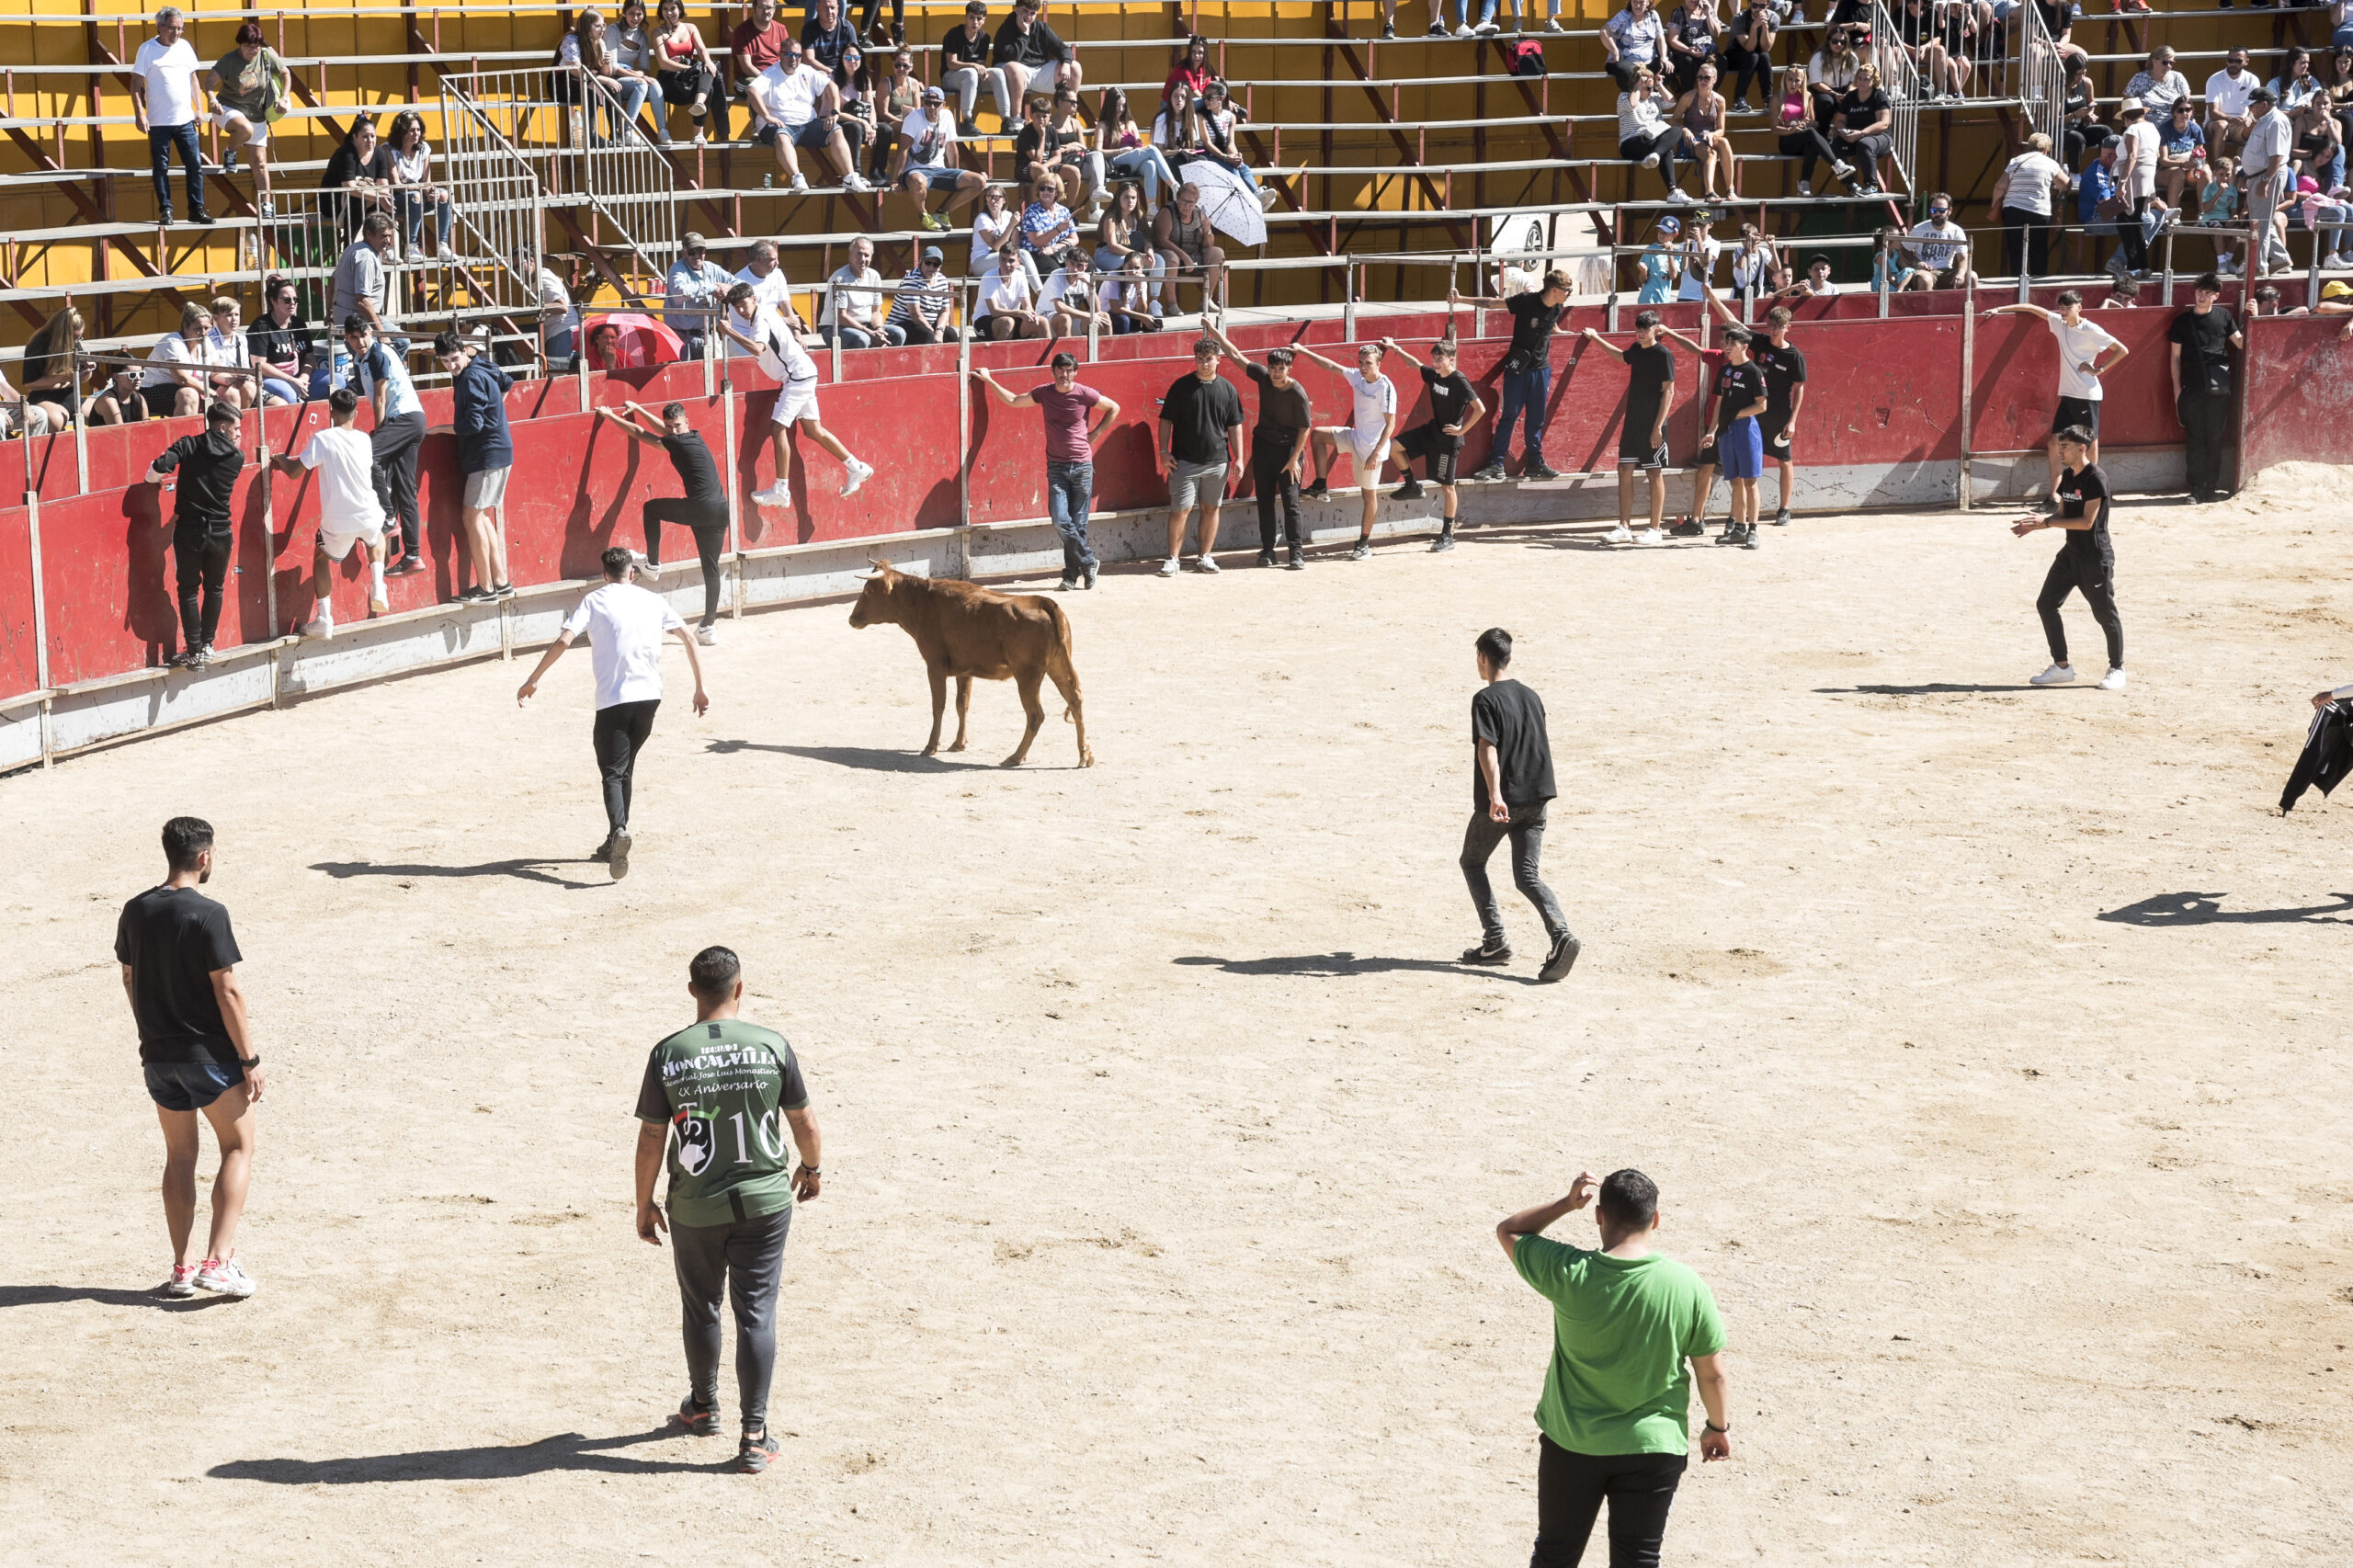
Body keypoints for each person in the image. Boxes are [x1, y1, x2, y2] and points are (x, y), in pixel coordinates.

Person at [633, 946, 821, 1474]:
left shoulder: (669, 1053)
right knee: (757, 1311)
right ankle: (755, 1435)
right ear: (741, 988)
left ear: (693, 991)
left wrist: (644, 1203)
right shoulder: (771, 1045)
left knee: (701, 1305)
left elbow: (652, 1135)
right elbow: (803, 1122)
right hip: (764, 1201)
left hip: (695, 1205)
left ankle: (703, 1406)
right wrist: (812, 1169)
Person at [1496, 1168, 1730, 1565]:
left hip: (1573, 1443)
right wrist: (1717, 1427)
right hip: (1653, 1446)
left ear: (1599, 1215)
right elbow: (1713, 1373)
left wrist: (1565, 1204)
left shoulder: (1569, 1271)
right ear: (1655, 1219)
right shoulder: (1686, 1285)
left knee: (1555, 1553)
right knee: (1638, 1558)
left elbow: (1510, 1231)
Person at [119, 816, 266, 1300]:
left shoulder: (135, 910)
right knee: (237, 1148)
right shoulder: (209, 913)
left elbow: (129, 979)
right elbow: (228, 991)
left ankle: (182, 1269)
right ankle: (219, 1263)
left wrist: (154, 1034)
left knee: (180, 1157)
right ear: (204, 857)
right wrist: (249, 1059)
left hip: (158, 1057)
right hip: (210, 1057)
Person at [517, 545, 711, 876]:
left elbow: (564, 640)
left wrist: (533, 679)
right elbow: (690, 639)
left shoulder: (595, 599)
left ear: (605, 574)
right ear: (632, 573)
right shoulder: (653, 600)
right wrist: (700, 687)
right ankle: (612, 840)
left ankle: (619, 831)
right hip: (650, 697)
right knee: (625, 768)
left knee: (612, 770)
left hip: (614, 700)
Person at [1459, 627, 1578, 980]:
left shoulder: (1485, 698)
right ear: (1509, 657)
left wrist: (1495, 796)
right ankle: (1561, 935)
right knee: (1528, 876)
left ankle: (1495, 940)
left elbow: (1488, 747)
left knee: (1472, 862)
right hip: (1538, 796)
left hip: (1504, 801)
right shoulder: (1532, 696)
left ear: (1483, 657)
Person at [719, 281, 874, 506]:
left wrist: (729, 331)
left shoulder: (760, 319)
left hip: (796, 377)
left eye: (743, 304)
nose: (741, 310)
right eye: (737, 307)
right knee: (813, 431)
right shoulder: (762, 309)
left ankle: (781, 490)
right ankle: (856, 467)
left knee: (778, 427)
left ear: (753, 299)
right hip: (802, 373)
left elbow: (757, 348)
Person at [973, 355, 1119, 591]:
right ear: (1053, 372)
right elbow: (1012, 400)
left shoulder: (1084, 393)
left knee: (1078, 524)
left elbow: (1114, 407)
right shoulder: (1045, 393)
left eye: (1069, 371)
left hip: (1081, 465)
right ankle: (1089, 562)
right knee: (1061, 520)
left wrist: (1095, 435)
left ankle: (1071, 577)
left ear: (1075, 372)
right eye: (1060, 371)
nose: (1065, 375)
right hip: (1057, 467)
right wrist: (989, 380)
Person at [598, 400, 733, 641]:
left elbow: (641, 433)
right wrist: (638, 410)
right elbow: (663, 431)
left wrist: (610, 416)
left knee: (651, 509)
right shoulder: (693, 436)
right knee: (711, 568)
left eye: (677, 426)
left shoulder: (675, 441)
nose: (672, 431)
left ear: (687, 422)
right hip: (721, 511)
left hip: (700, 508)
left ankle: (652, 564)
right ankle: (708, 628)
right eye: (670, 427)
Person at [1985, 293, 2127, 506]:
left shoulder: (2091, 330)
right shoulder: (2059, 324)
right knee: (2054, 443)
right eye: (2061, 307)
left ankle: (2092, 492)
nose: (2062, 312)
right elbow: (2032, 307)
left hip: (2086, 395)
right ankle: (2054, 495)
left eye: (2067, 307)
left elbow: (2122, 349)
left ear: (2079, 307)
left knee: (2090, 443)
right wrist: (1999, 309)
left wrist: (2099, 370)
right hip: (2068, 394)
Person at [270, 387, 387, 638]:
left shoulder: (322, 439)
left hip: (338, 519)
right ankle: (378, 585)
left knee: (321, 559)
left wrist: (281, 460)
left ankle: (324, 619)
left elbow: (294, 472)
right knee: (377, 535)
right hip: (367, 511)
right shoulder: (365, 439)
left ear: (331, 412)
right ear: (356, 412)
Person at [2012, 426, 2123, 691]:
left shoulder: (2096, 478)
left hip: (2094, 558)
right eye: (2060, 446)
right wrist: (2036, 525)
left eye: (2066, 446)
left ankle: (2117, 669)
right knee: (2046, 604)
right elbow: (2062, 514)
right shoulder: (2067, 475)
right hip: (2070, 555)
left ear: (2082, 448)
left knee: (2104, 613)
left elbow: (2086, 522)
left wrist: (2047, 523)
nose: (2060, 451)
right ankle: (2061, 667)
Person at [142, 401, 246, 668]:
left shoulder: (188, 445)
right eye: (236, 429)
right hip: (221, 531)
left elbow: (155, 470)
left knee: (188, 590)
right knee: (214, 588)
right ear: (222, 427)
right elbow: (226, 451)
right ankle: (206, 646)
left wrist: (156, 484)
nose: (238, 434)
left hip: (189, 529)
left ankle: (194, 649)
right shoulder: (237, 457)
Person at [1204, 319, 1313, 568]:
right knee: (1264, 500)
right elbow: (1235, 355)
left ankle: (1296, 553)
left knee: (1290, 502)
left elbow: (1305, 428)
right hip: (1264, 447)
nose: (1276, 372)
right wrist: (1214, 331)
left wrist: (1295, 458)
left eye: (1281, 368)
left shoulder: (1298, 393)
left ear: (1289, 369)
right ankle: (1268, 551)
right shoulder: (1264, 378)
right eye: (1273, 367)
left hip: (1288, 451)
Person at [1452, 271, 1572, 483]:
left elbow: (1551, 323)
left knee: (1536, 418)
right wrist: (1461, 299)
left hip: (1541, 370)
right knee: (1509, 415)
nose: (1569, 295)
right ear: (1554, 290)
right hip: (1518, 369)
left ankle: (1535, 463)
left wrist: (1560, 333)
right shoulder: (1527, 301)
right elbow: (1492, 303)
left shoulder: (1557, 306)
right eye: (1567, 291)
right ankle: (1496, 464)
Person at [1297, 340, 1401, 562]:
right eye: (1361, 363)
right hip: (1355, 437)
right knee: (1318, 435)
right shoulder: (1357, 377)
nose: (1363, 367)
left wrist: (1375, 453)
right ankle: (1320, 486)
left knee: (1368, 494)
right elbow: (1331, 366)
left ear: (1379, 364)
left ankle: (1363, 543)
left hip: (1372, 449)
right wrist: (1304, 350)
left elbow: (1391, 424)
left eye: (1368, 363)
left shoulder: (1386, 387)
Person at [1581, 312, 1677, 543]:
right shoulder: (1637, 348)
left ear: (1656, 329)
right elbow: (1622, 357)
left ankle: (1655, 529)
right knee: (1624, 469)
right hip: (1633, 421)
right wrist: (1596, 338)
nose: (1641, 334)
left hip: (1653, 423)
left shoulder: (1663, 355)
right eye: (1639, 330)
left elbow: (1669, 391)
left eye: (1645, 330)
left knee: (1654, 472)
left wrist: (1657, 427)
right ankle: (1624, 526)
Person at [1382, 335, 1484, 553]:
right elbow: (1415, 364)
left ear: (1451, 359)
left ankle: (1447, 535)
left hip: (1448, 440)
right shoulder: (1434, 376)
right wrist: (1395, 347)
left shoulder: (1459, 380)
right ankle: (1411, 484)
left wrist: (1462, 430)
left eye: (1440, 359)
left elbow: (1480, 409)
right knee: (1394, 447)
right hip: (1432, 432)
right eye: (1435, 359)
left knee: (1448, 487)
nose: (1435, 363)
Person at [344, 314, 429, 574]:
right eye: (355, 338)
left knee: (366, 455)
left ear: (371, 332)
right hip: (412, 419)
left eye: (364, 335)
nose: (361, 342)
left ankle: (389, 517)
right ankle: (413, 555)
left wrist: (379, 431)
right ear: (348, 339)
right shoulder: (363, 358)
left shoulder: (378, 354)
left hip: (402, 418)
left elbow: (379, 400)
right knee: (406, 489)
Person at [1155, 337, 1245, 576]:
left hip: (1218, 462)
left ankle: (1205, 557)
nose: (1204, 364)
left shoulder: (1227, 389)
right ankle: (1173, 559)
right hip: (1183, 461)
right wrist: (1164, 451)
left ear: (1218, 359)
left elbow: (1235, 425)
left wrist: (1239, 459)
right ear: (1195, 359)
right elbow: (1166, 420)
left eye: (1209, 359)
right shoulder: (1181, 387)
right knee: (1180, 510)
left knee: (1211, 508)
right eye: (1200, 359)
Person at [439, 331, 514, 603]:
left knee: (471, 519)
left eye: (454, 359)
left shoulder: (470, 379)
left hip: (486, 456)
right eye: (445, 362)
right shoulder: (481, 365)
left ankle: (485, 588)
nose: (452, 366)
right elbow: (508, 381)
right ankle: (500, 582)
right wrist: (497, 414)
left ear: (464, 351)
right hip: (497, 451)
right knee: (480, 517)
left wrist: (436, 430)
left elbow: (473, 425)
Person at [2168, 272, 2243, 504]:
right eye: (2200, 291)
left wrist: (2255, 316)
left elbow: (2241, 343)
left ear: (2216, 296)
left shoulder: (2224, 316)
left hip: (2219, 388)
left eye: (2207, 293)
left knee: (2214, 438)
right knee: (2197, 438)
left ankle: (2210, 486)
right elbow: (2175, 358)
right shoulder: (2182, 321)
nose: (2202, 296)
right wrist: (2177, 389)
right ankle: (2198, 488)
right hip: (2193, 388)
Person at [133, 6, 210, 226]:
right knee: (161, 167)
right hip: (159, 121)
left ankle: (197, 208)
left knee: (194, 165)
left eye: (180, 29)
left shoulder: (185, 47)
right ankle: (166, 209)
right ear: (160, 27)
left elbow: (193, 79)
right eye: (171, 28)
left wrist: (199, 108)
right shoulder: (147, 49)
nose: (176, 33)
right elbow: (136, 84)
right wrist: (140, 114)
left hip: (185, 119)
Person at [206, 21, 289, 216]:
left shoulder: (266, 55)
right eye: (248, 47)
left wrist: (284, 97)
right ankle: (230, 151)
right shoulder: (229, 60)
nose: (253, 51)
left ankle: (266, 204)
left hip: (256, 113)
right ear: (239, 44)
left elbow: (285, 73)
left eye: (256, 47)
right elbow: (209, 81)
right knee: (245, 130)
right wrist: (211, 100)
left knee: (260, 162)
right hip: (226, 109)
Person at [1701, 325, 1768, 549]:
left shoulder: (1754, 372)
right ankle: (1738, 528)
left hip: (1746, 429)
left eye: (1733, 344)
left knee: (1750, 481)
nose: (1727, 348)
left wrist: (1736, 414)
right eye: (1727, 343)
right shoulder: (1725, 371)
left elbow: (1762, 406)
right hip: (1727, 432)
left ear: (1745, 347)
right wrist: (1711, 431)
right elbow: (1719, 403)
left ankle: (1753, 530)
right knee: (1735, 481)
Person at [892, 83, 984, 230]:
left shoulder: (947, 116)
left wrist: (956, 174)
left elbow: (951, 147)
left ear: (943, 104)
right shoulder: (914, 118)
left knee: (979, 181)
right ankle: (924, 216)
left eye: (936, 104)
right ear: (924, 103)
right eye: (928, 103)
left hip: (939, 170)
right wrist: (895, 180)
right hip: (915, 171)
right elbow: (903, 150)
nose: (932, 107)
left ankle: (943, 212)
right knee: (918, 181)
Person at [1991, 131, 2070, 278]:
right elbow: (2065, 184)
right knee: (2038, 249)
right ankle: (2037, 281)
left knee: (2015, 249)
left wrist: (1994, 205)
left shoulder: (2015, 161)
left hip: (2013, 209)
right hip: (2038, 211)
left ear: (2030, 146)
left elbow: (2000, 186)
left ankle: (2017, 280)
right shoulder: (2050, 163)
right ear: (2046, 149)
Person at [650, 0, 726, 146]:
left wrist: (708, 61)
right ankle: (703, 109)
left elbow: (702, 49)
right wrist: (691, 69)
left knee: (710, 71)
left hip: (690, 78)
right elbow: (663, 63)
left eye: (673, 8)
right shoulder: (658, 33)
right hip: (670, 80)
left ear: (680, 9)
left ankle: (698, 130)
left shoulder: (691, 28)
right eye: (665, 9)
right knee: (706, 77)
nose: (669, 13)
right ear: (661, 11)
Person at [328, 211, 402, 355]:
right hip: (357, 321)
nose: (387, 241)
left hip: (354, 317)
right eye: (383, 236)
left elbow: (332, 280)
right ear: (369, 234)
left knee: (401, 342)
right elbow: (362, 301)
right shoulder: (366, 257)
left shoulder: (355, 248)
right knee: (395, 345)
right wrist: (381, 333)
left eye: (389, 236)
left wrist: (330, 311)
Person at [1775, 63, 1852, 195]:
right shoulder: (1778, 98)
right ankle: (1837, 165)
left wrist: (1804, 123)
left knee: (1812, 144)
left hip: (1803, 136)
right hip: (1787, 140)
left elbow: (1814, 123)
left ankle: (1804, 184)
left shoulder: (1808, 96)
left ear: (1802, 81)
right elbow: (1774, 128)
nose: (1793, 84)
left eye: (1797, 80)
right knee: (1811, 135)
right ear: (1785, 79)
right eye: (1790, 79)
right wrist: (1790, 127)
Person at [1616, 65, 1690, 201]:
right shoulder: (1624, 97)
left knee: (1677, 130)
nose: (1651, 91)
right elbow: (1632, 104)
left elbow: (1671, 102)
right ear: (1636, 85)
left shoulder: (1654, 97)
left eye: (1652, 88)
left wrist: (1659, 85)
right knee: (1665, 149)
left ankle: (1672, 191)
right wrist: (1638, 87)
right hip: (1631, 143)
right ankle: (1657, 154)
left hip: (1653, 142)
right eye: (1648, 88)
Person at [2244, 85, 2297, 276]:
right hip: (2258, 176)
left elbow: (2276, 157)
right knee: (2261, 220)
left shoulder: (2275, 122)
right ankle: (2281, 259)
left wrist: (2265, 181)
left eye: (2253, 105)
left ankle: (2259, 266)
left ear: (2264, 104)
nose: (2250, 108)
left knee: (2260, 224)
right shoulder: (2264, 119)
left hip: (2265, 177)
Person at [1153, 181, 1227, 314]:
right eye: (1183, 201)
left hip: (1194, 255)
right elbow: (1162, 240)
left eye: (1191, 203)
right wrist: (1184, 256)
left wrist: (1207, 231)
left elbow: (1208, 244)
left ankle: (1206, 299)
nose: (1187, 206)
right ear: (1177, 198)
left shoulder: (1199, 214)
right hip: (1172, 253)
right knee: (1172, 258)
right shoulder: (1168, 212)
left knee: (1217, 253)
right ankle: (1172, 304)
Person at [321, 114, 398, 240]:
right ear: (355, 137)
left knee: (388, 200)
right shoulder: (346, 152)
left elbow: (384, 184)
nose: (370, 140)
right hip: (334, 201)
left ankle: (386, 245)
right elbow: (349, 187)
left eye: (373, 136)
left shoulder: (379, 153)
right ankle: (350, 244)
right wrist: (379, 197)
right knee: (357, 200)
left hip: (367, 198)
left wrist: (384, 197)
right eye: (365, 137)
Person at [993, 0, 1081, 107]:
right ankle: (1015, 119)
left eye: (1032, 13)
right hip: (1010, 70)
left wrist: (1066, 64)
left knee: (1074, 67)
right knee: (1015, 68)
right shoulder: (1005, 28)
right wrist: (1024, 34)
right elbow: (1012, 57)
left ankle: (1066, 114)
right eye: (1025, 11)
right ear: (1016, 9)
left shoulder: (1041, 27)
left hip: (1038, 70)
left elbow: (1062, 48)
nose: (1028, 16)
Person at [819, 235, 898, 349]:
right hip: (835, 327)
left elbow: (876, 312)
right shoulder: (840, 278)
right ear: (850, 255)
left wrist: (879, 329)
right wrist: (869, 332)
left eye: (866, 255)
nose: (863, 259)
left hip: (866, 326)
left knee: (898, 334)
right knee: (862, 339)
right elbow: (842, 316)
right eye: (859, 254)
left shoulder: (874, 276)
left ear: (871, 257)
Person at [664, 233, 734, 359]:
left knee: (716, 374)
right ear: (683, 253)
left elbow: (739, 283)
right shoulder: (677, 269)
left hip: (710, 335)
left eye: (701, 251)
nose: (697, 256)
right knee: (684, 376)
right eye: (692, 252)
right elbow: (681, 292)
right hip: (683, 339)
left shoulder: (712, 268)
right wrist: (713, 288)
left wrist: (728, 288)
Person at [940, 1, 1011, 126]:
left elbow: (980, 64)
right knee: (971, 73)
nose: (975, 22)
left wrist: (981, 71)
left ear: (984, 20)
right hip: (950, 77)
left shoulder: (984, 38)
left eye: (979, 19)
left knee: (998, 73)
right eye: (971, 18)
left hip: (971, 77)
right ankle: (967, 120)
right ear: (966, 17)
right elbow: (951, 64)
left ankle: (1006, 120)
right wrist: (973, 66)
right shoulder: (954, 34)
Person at [245, 277, 312, 406]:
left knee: (335, 380)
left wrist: (304, 377)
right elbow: (259, 365)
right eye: (287, 300)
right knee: (289, 394)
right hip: (272, 378)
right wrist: (291, 380)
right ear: (273, 301)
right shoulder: (260, 326)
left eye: (295, 299)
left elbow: (309, 356)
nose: (292, 303)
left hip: (299, 376)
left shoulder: (299, 323)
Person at [1829, 62, 1893, 190]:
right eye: (1859, 78)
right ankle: (1850, 183)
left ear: (1874, 81)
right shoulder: (1850, 97)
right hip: (1853, 136)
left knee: (1864, 144)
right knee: (1833, 146)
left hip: (1878, 137)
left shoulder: (1879, 96)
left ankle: (1871, 185)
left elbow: (1884, 123)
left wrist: (1862, 133)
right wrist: (1844, 132)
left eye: (1866, 79)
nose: (1861, 82)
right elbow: (1840, 121)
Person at [886, 244, 962, 345]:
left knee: (950, 334)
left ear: (940, 267)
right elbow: (915, 314)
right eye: (928, 263)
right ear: (921, 262)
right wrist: (931, 330)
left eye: (935, 265)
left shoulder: (942, 280)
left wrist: (939, 331)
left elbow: (945, 311)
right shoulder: (912, 279)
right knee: (927, 334)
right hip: (904, 323)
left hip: (927, 323)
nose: (931, 267)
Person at [1897, 192, 1974, 289]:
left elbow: (1963, 257)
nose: (1937, 214)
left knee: (1972, 277)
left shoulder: (1957, 231)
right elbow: (1904, 250)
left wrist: (1961, 273)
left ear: (1949, 211)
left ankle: (1966, 304)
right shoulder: (1919, 229)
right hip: (1924, 272)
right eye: (1934, 210)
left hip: (1946, 271)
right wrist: (1916, 263)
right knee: (1925, 280)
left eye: (1941, 210)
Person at [977, 242, 1047, 338]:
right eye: (1003, 260)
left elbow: (1027, 307)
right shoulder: (988, 277)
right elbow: (994, 311)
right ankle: (1002, 353)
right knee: (1007, 322)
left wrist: (1032, 315)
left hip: (1012, 318)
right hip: (984, 321)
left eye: (1011, 260)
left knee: (1042, 322)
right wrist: (1019, 313)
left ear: (1019, 261)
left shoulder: (1021, 276)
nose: (1007, 264)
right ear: (998, 260)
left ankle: (1051, 354)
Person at [1601, 0, 1670, 93]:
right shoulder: (1624, 15)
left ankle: (1652, 98)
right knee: (1629, 71)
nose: (1638, 5)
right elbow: (1604, 32)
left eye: (1641, 2)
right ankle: (1633, 98)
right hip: (1626, 61)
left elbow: (1660, 39)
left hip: (1649, 61)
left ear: (1648, 3)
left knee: (1667, 67)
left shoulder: (1653, 15)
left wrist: (1663, 57)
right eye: (1635, 2)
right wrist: (1615, 52)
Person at [2207, 48, 2257, 161]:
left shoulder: (2252, 79)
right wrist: (2232, 119)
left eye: (2238, 61)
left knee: (2257, 123)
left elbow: (2255, 108)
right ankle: (2217, 167)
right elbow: (2213, 114)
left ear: (2246, 62)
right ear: (2226, 61)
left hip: (2240, 125)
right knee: (2222, 125)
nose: (2233, 64)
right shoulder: (2214, 79)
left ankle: (2247, 166)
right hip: (2215, 125)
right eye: (2230, 60)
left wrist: (2249, 118)